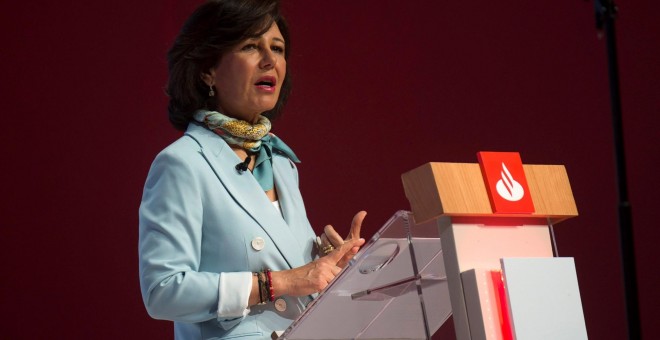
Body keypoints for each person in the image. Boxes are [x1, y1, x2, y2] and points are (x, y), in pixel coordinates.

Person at [138, 1, 366, 339]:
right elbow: (162, 291)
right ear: (208, 69)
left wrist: (328, 269)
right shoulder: (181, 163)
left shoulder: (281, 163)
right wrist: (282, 281)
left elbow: (298, 282)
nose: (270, 60)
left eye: (277, 48)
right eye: (250, 46)